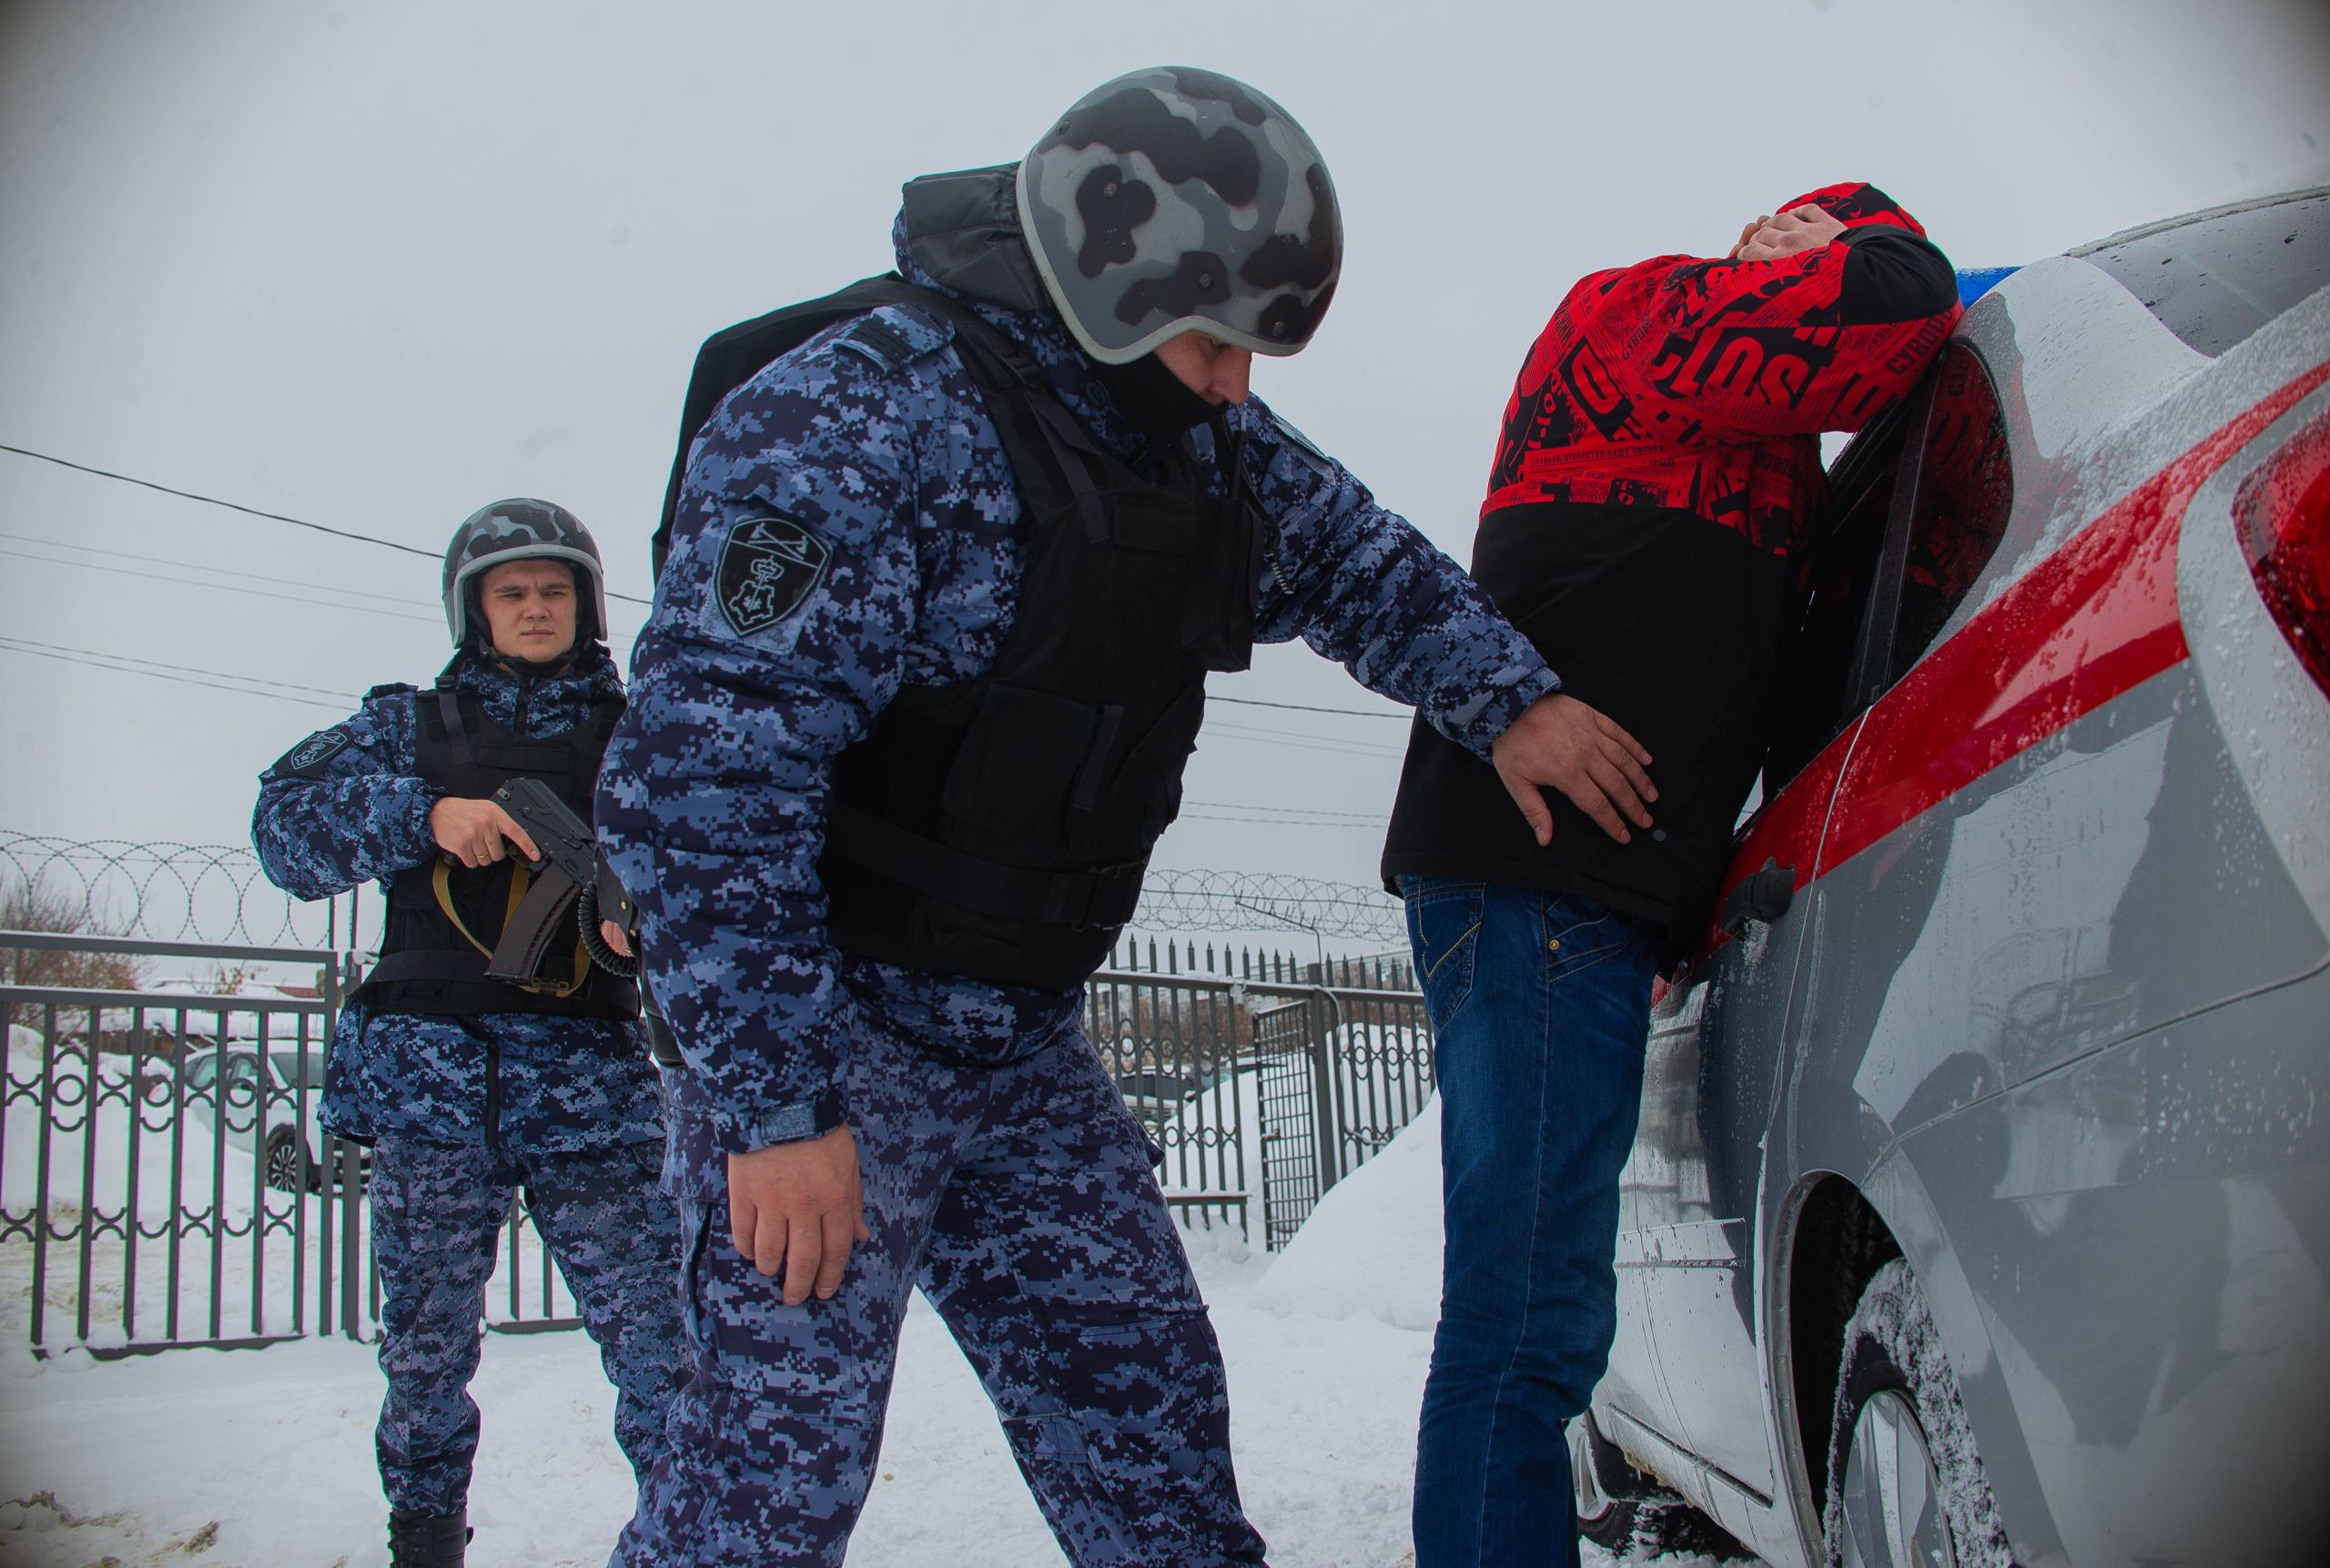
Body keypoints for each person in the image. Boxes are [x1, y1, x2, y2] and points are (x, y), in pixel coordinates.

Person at [598, 66, 1655, 1568]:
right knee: (755, 1511)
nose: (1237, 382)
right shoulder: (863, 418)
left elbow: (1356, 558)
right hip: (832, 1043)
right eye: (1217, 342)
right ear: (1111, 282)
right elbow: (704, 779)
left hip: (1021, 1044)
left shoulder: (1192, 439)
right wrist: (777, 1110)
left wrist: (1513, 698)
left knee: (1156, 1453)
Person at [1380, 186, 1963, 1566]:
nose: (1787, 245)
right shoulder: (1631, 320)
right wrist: (1881, 258)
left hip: (1595, 906)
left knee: (1541, 1316)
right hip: (1534, 885)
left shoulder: (1783, 473)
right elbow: (1897, 304)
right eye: (1790, 222)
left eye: (1824, 229)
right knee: (1525, 1323)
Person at [251, 501, 686, 1568]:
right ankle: (425, 1540)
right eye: (511, 591)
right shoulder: (409, 729)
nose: (535, 608)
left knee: (661, 1347)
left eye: (554, 589)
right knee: (426, 1353)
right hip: (429, 1092)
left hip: (591, 1093)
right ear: (475, 608)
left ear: (583, 602)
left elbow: (719, 856)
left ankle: (689, 1535)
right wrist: (422, 815)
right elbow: (281, 830)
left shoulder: (638, 736)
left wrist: (649, 913)